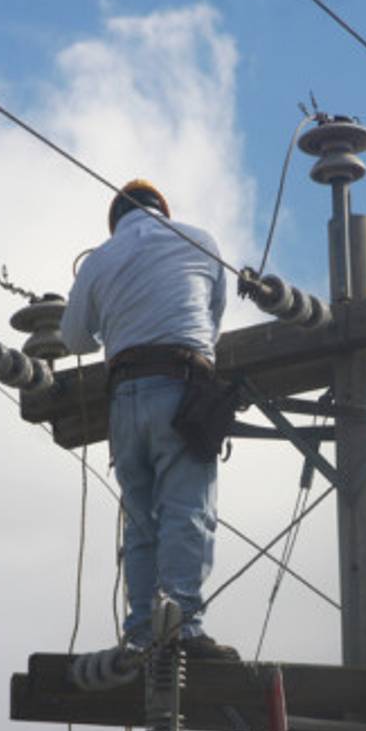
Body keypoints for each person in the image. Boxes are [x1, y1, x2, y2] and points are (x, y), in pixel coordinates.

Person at [60, 179, 239, 661]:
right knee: (187, 511)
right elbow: (212, 319)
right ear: (163, 209)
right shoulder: (198, 241)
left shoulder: (100, 259)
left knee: (141, 522)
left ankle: (142, 632)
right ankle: (180, 626)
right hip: (181, 387)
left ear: (116, 220)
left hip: (124, 400)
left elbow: (74, 339)